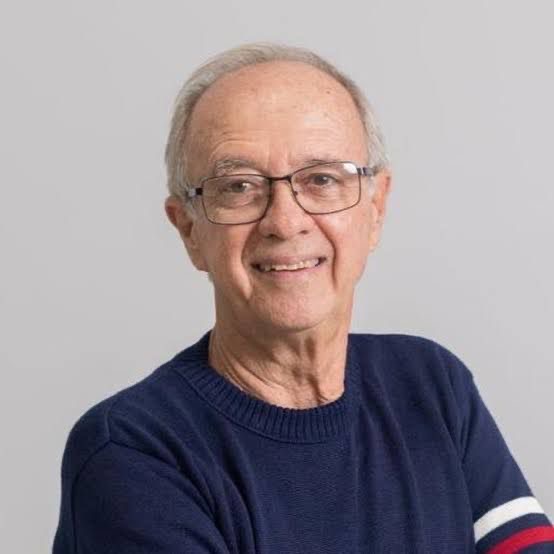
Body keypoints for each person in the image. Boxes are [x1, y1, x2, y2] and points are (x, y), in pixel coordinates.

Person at [52, 43, 554, 553]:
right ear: (189, 230)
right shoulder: (134, 453)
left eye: (322, 179)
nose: (285, 221)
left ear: (376, 209)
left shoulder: (432, 387)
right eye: (239, 186)